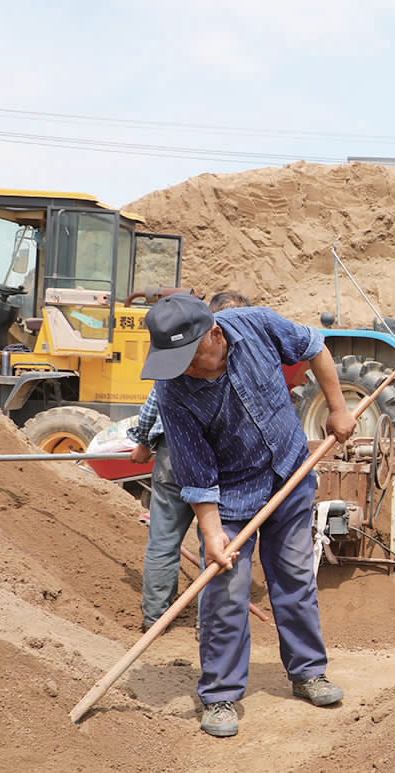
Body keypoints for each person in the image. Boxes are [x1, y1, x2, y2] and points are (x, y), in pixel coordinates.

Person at [142, 293, 356, 739]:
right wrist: (213, 533)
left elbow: (314, 347)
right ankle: (219, 694)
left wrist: (337, 408)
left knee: (295, 577)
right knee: (225, 592)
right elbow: (194, 468)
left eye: (189, 357)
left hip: (291, 474)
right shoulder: (173, 390)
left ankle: (308, 672)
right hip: (232, 497)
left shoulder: (256, 324)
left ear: (214, 336)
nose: (183, 368)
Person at [129, 292, 251, 631]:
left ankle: (155, 619)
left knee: (163, 540)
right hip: (212, 462)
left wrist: (141, 440)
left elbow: (153, 402)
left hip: (169, 455)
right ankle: (207, 624)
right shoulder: (210, 357)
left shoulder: (178, 359)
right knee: (212, 540)